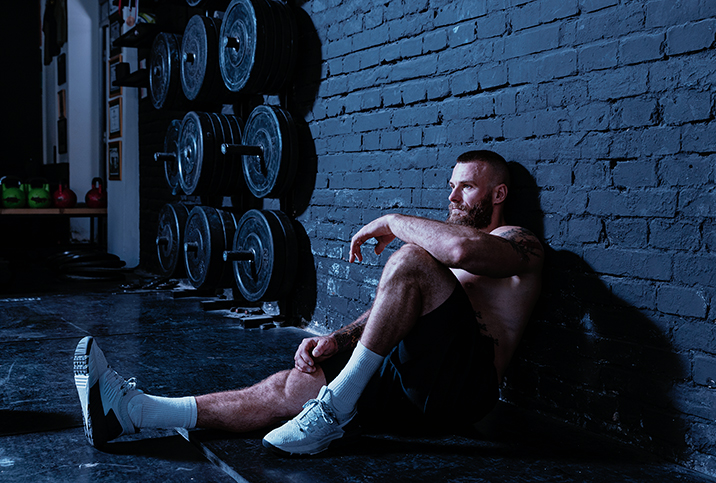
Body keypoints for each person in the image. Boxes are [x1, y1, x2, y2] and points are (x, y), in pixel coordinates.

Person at [73, 149, 543, 456]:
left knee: (411, 259)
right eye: (452, 184)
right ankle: (135, 412)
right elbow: (395, 308)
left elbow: (459, 252)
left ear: (498, 194)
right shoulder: (445, 247)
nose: (452, 195)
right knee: (294, 384)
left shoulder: (518, 242)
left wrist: (392, 220)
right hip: (413, 379)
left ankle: (332, 412)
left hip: (463, 390)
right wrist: (337, 340)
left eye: (467, 187)